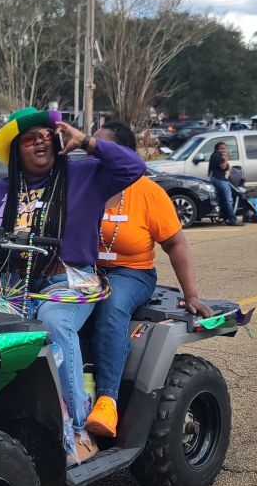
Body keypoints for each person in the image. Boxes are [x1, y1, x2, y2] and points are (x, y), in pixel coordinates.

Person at [0, 107, 145, 462]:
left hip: (69, 281)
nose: (40, 142)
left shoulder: (83, 174)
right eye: (30, 139)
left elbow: (134, 168)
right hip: (11, 285)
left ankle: (80, 431)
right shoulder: (0, 192)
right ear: (16, 152)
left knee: (54, 321)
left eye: (46, 135)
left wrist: (86, 141)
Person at [84, 122, 213, 437]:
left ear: (123, 154)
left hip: (133, 273)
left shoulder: (148, 192)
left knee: (112, 306)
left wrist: (192, 294)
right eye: (91, 146)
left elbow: (176, 244)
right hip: (86, 272)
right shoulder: (85, 185)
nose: (93, 152)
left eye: (101, 146)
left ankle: (107, 402)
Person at [208, 142, 242, 226]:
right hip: (220, 180)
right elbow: (223, 167)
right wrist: (226, 158)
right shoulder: (217, 156)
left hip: (220, 179)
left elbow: (225, 170)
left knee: (224, 199)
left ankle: (226, 216)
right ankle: (233, 220)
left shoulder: (217, 156)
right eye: (221, 148)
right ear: (217, 149)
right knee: (228, 200)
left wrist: (228, 172)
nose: (223, 150)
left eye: (224, 148)